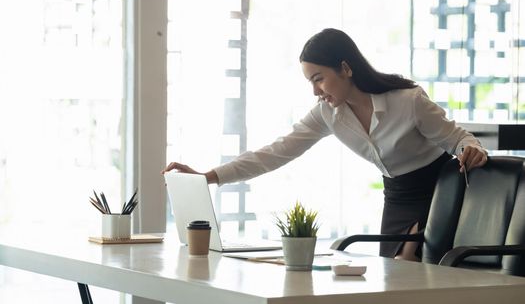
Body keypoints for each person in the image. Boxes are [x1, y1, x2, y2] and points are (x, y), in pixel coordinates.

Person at [162, 28, 488, 261]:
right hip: (397, 197)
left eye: (319, 78)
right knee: (394, 281)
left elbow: (458, 138)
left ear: (345, 68)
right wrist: (208, 176)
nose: (316, 91)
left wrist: (471, 150)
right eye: (310, 82)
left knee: (409, 270)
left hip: (438, 191)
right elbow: (274, 153)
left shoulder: (408, 101)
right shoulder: (328, 115)